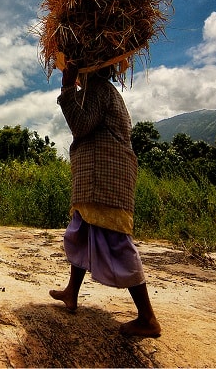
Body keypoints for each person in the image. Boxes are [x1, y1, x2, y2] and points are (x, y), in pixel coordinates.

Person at [49, 61, 161, 338]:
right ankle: (71, 293)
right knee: (81, 233)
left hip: (104, 176)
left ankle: (147, 318)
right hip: (98, 176)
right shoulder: (102, 90)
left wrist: (66, 86)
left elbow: (81, 126)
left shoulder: (97, 89)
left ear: (87, 71)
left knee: (116, 242)